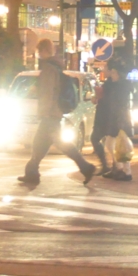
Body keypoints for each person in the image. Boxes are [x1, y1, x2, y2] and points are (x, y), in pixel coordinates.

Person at [19, 39, 97, 185]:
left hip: (50, 113)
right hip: (55, 112)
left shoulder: (49, 68)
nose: (38, 54)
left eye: (38, 51)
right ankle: (32, 171)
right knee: (42, 144)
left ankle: (86, 167)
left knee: (52, 143)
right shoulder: (57, 66)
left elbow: (48, 92)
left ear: (43, 51)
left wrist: (44, 112)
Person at [92, 59, 134, 181]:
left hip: (119, 120)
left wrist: (119, 122)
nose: (113, 75)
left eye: (114, 73)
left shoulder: (120, 87)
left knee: (116, 145)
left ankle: (122, 170)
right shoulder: (119, 85)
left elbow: (119, 105)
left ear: (118, 74)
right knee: (119, 145)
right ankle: (124, 170)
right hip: (118, 119)